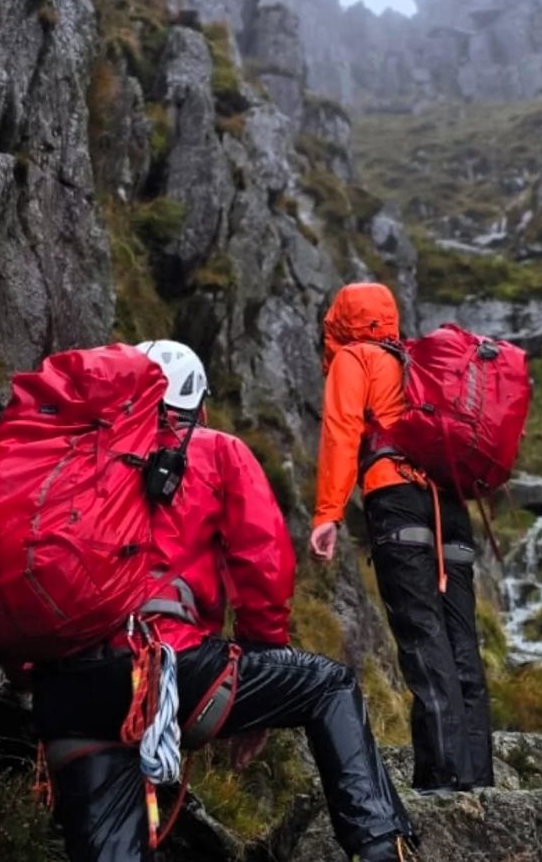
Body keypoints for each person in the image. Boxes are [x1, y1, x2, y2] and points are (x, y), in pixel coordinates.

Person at [30, 339, 416, 862]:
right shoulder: (215, 450)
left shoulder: (75, 454)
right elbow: (264, 563)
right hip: (168, 668)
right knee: (330, 685)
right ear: (200, 407)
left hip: (66, 692)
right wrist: (262, 658)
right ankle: (379, 849)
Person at [309, 283, 494, 794]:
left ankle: (442, 780)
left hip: (399, 502)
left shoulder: (356, 358)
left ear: (342, 321)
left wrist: (328, 513)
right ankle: (478, 776)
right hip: (452, 511)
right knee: (461, 642)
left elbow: (342, 430)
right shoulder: (419, 364)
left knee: (421, 638)